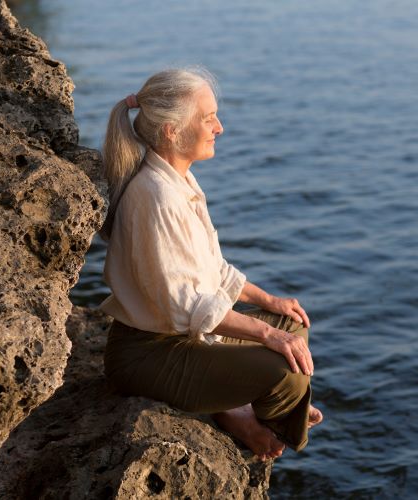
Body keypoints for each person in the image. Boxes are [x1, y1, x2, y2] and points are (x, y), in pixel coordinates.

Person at [98, 67, 322, 460]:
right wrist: (265, 335)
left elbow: (213, 270)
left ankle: (242, 406)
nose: (218, 127)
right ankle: (248, 416)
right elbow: (187, 305)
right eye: (208, 118)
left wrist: (270, 303)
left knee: (293, 324)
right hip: (148, 355)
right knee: (286, 373)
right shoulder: (155, 196)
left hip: (188, 338)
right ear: (171, 129)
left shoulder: (180, 182)